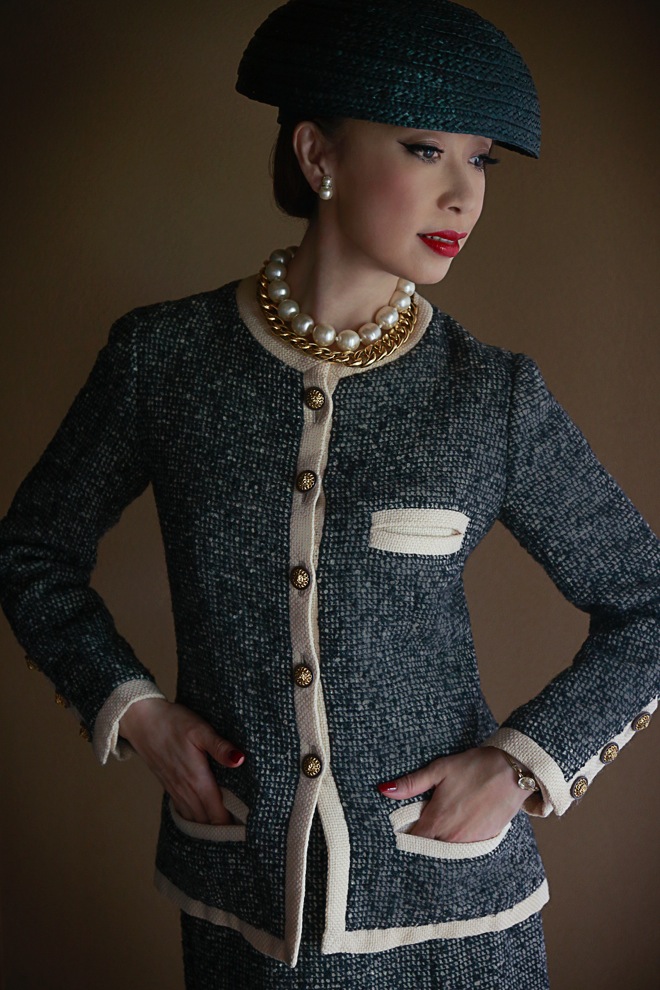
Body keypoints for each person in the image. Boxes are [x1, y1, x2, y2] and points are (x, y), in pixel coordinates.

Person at [0, 1, 658, 987]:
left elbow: (648, 601)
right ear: (318, 154)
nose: (463, 196)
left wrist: (523, 761)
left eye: (480, 161)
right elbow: (32, 553)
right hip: (243, 907)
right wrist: (136, 712)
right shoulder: (164, 363)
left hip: (457, 917)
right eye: (425, 150)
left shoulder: (491, 397)